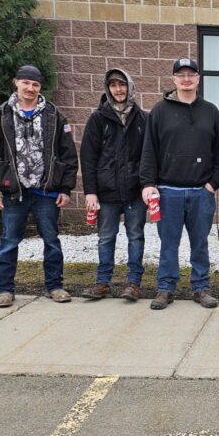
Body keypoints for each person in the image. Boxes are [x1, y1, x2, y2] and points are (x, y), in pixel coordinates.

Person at [0, 65, 78, 308]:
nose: (30, 88)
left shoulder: (55, 116)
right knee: (9, 242)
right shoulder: (0, 116)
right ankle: (4, 289)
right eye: (26, 83)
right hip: (14, 192)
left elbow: (68, 156)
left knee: (52, 241)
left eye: (35, 84)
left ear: (40, 87)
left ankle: (55, 286)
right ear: (16, 83)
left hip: (46, 192)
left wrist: (65, 189)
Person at [140, 58, 219, 310]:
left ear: (198, 79)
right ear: (174, 79)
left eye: (191, 74)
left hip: (201, 192)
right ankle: (166, 288)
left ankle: (201, 288)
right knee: (169, 244)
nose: (186, 79)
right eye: (181, 75)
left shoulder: (210, 111)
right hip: (168, 192)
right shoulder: (159, 111)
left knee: (200, 243)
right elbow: (149, 151)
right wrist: (148, 183)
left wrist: (213, 183)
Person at [79, 69, 148, 302]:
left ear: (130, 87)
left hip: (134, 191)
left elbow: (149, 156)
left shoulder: (142, 119)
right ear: (107, 89)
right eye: (113, 85)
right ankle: (103, 282)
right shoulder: (98, 118)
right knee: (106, 237)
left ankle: (134, 283)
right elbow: (88, 157)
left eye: (122, 85)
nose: (118, 90)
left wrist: (148, 184)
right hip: (106, 192)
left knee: (136, 236)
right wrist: (90, 191)